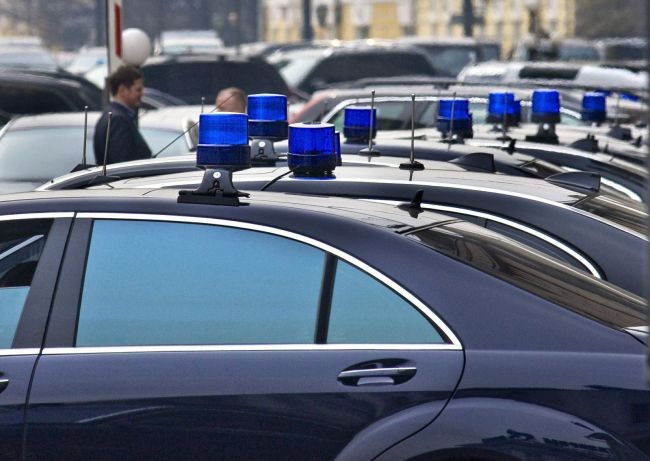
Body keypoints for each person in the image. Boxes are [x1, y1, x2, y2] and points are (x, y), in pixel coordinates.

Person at [93, 65, 152, 165]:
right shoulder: (118, 121)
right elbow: (123, 164)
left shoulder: (113, 115)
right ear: (122, 90)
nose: (142, 94)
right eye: (138, 89)